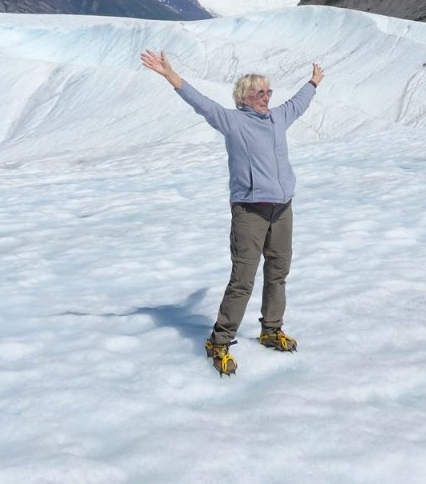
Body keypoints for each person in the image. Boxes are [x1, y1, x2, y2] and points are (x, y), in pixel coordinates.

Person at [139, 49, 324, 376]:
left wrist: (312, 83)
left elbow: (298, 103)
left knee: (278, 271)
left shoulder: (278, 117)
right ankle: (219, 341)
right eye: (258, 93)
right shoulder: (232, 121)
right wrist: (171, 76)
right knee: (243, 279)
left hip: (282, 209)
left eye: (268, 91)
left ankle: (271, 329)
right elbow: (201, 103)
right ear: (243, 97)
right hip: (250, 211)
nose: (266, 97)